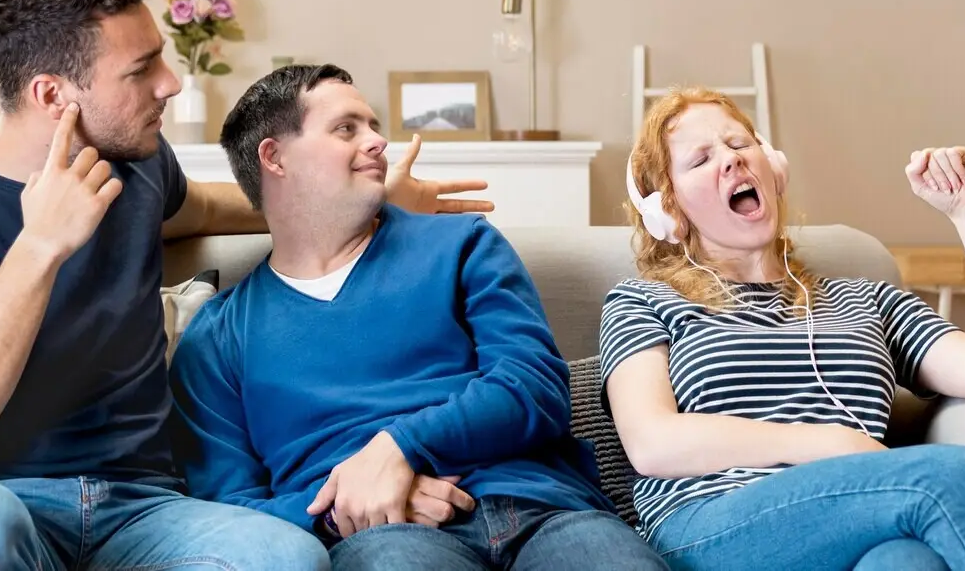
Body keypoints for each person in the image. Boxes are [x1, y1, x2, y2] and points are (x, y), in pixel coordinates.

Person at [0, 0, 492, 571]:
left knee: (283, 557)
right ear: (52, 94)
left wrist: (362, 197)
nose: (171, 82)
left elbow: (209, 208)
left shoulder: (137, 167)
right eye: (141, 70)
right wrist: (39, 247)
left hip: (141, 512)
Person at [168, 63, 669, 571]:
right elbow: (228, 510)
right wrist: (344, 508)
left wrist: (400, 446)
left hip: (540, 508)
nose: (378, 141)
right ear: (275, 158)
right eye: (346, 128)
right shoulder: (218, 336)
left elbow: (535, 387)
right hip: (385, 539)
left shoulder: (463, 243)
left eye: (372, 125)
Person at [599, 86, 965, 571]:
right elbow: (652, 442)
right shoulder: (642, 301)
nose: (731, 160)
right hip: (710, 522)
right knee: (959, 475)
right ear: (668, 212)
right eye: (701, 159)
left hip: (851, 512)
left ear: (775, 168)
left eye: (739, 143)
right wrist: (831, 442)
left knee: (906, 562)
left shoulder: (865, 300)